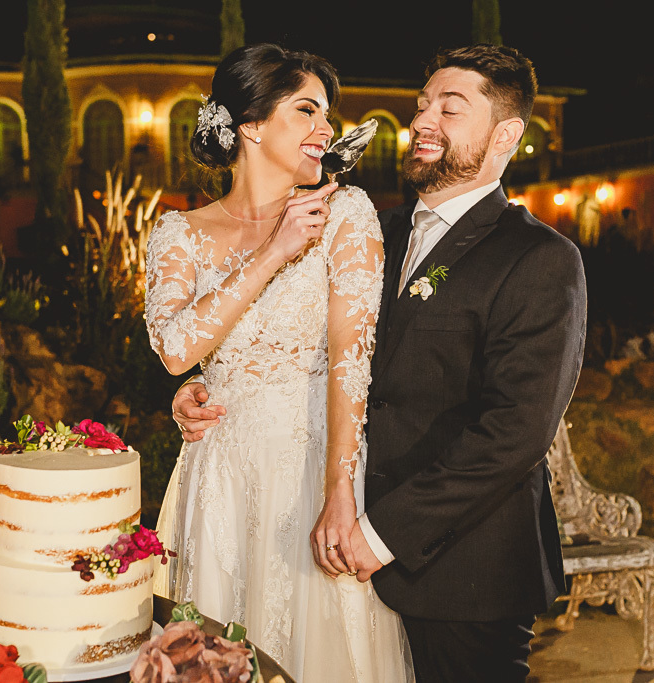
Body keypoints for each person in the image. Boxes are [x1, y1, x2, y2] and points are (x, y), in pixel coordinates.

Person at [173, 44, 587, 682]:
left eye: (451, 109)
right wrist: (206, 386)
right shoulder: (362, 227)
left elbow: (516, 431)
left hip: (462, 573)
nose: (423, 121)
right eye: (423, 105)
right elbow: (301, 344)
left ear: (506, 135)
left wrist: (383, 531)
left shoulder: (539, 258)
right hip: (331, 546)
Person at [144, 43, 413, 682]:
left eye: (327, 115)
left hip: (318, 466)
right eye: (306, 111)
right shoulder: (177, 233)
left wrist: (340, 491)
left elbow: (354, 360)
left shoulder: (346, 213)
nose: (327, 131)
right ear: (252, 125)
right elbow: (177, 350)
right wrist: (275, 249)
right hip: (220, 479)